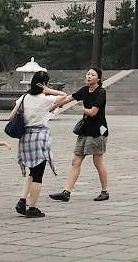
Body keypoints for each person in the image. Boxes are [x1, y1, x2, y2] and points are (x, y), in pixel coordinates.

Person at [8, 70, 74, 218]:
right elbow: (64, 95)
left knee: (32, 172)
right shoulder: (46, 99)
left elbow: (11, 116)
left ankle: (22, 201)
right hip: (39, 138)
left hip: (25, 138)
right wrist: (48, 90)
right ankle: (32, 208)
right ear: (44, 84)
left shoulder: (23, 98)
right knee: (38, 175)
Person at [50, 67, 111, 202]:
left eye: (92, 75)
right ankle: (66, 192)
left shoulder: (101, 92)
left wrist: (82, 109)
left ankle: (104, 191)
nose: (88, 76)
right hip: (85, 130)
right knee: (75, 161)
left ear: (98, 78)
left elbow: (93, 112)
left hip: (98, 131)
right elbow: (69, 98)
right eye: (88, 74)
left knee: (98, 161)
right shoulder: (84, 90)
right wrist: (55, 105)